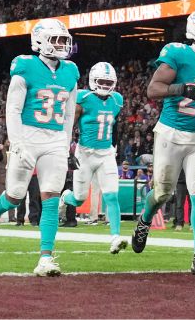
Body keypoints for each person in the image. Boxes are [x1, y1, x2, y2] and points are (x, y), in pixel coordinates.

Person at [0, 18, 80, 277]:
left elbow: (69, 114)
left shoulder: (70, 71)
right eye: (55, 39)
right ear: (40, 42)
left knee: (50, 197)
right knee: (14, 195)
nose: (61, 45)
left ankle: (45, 257)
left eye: (63, 40)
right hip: (28, 135)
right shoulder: (25, 66)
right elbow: (13, 108)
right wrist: (17, 141)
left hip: (55, 139)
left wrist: (66, 144)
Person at [134, 10, 195, 269]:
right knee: (163, 193)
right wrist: (181, 88)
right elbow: (153, 89)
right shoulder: (177, 53)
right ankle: (145, 219)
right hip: (171, 133)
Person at [63, 61, 127, 254]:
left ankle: (115, 237)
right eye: (102, 81)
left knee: (111, 195)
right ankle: (65, 197)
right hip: (85, 153)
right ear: (92, 80)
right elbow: (69, 126)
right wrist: (67, 152)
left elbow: (115, 126)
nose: (106, 86)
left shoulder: (117, 100)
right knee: (79, 199)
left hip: (106, 153)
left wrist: (115, 146)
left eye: (109, 82)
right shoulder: (83, 98)